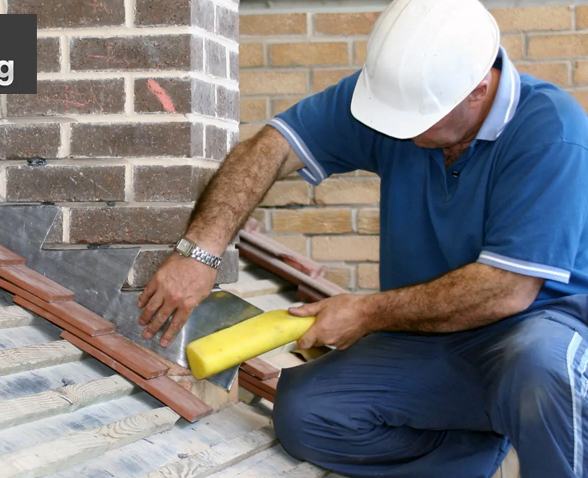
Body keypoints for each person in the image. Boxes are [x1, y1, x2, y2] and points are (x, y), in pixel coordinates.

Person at [137, 0, 588, 476]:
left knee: (540, 371)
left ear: (477, 90)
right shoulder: (394, 99)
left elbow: (506, 290)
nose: (403, 135)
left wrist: (365, 312)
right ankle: (467, 456)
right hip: (432, 334)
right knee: (306, 413)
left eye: (417, 122)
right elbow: (269, 147)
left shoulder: (552, 131)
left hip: (535, 329)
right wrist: (199, 252)